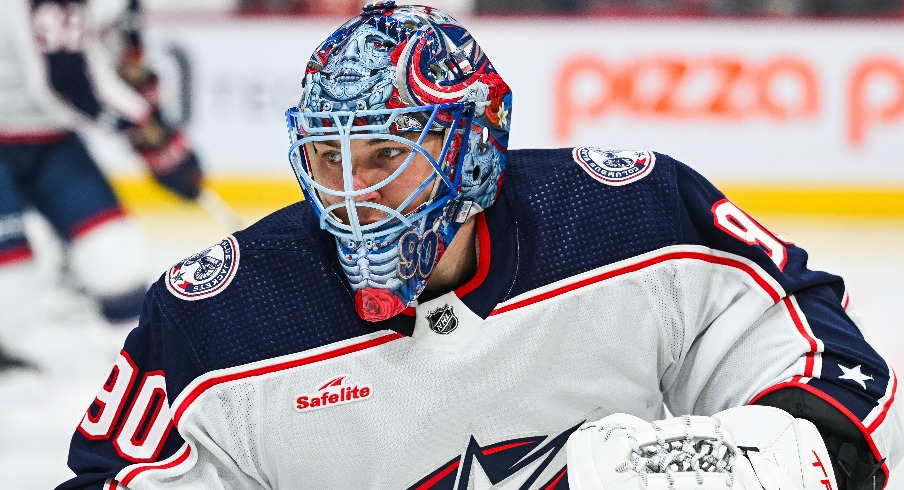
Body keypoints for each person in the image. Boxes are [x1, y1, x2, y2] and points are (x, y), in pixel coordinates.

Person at [59, 2, 900, 488]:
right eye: (328, 157)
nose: (351, 191)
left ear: (473, 149)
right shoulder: (218, 318)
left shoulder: (628, 216)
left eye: (387, 154)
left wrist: (782, 450)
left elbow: (819, 358)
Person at [0, 0, 204, 369]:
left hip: (52, 142)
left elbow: (129, 66)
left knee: (116, 258)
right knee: (12, 296)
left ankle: (144, 364)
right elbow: (65, 81)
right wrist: (152, 133)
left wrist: (160, 144)